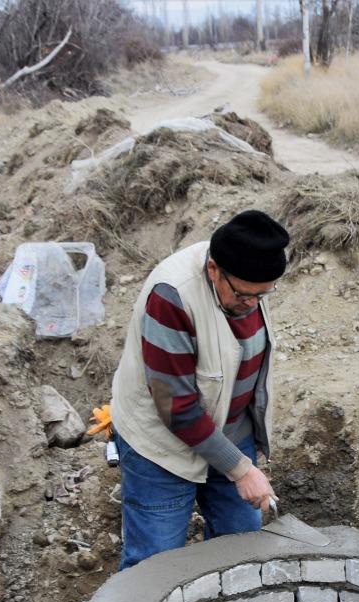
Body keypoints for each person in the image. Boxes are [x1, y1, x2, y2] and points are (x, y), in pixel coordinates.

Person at [109, 210, 289, 569]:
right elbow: (175, 405)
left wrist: (240, 454)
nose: (253, 303)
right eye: (244, 295)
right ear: (214, 271)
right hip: (159, 445)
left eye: (263, 294)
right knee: (154, 564)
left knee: (241, 547)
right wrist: (241, 470)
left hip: (228, 430)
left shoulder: (247, 280)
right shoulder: (171, 297)